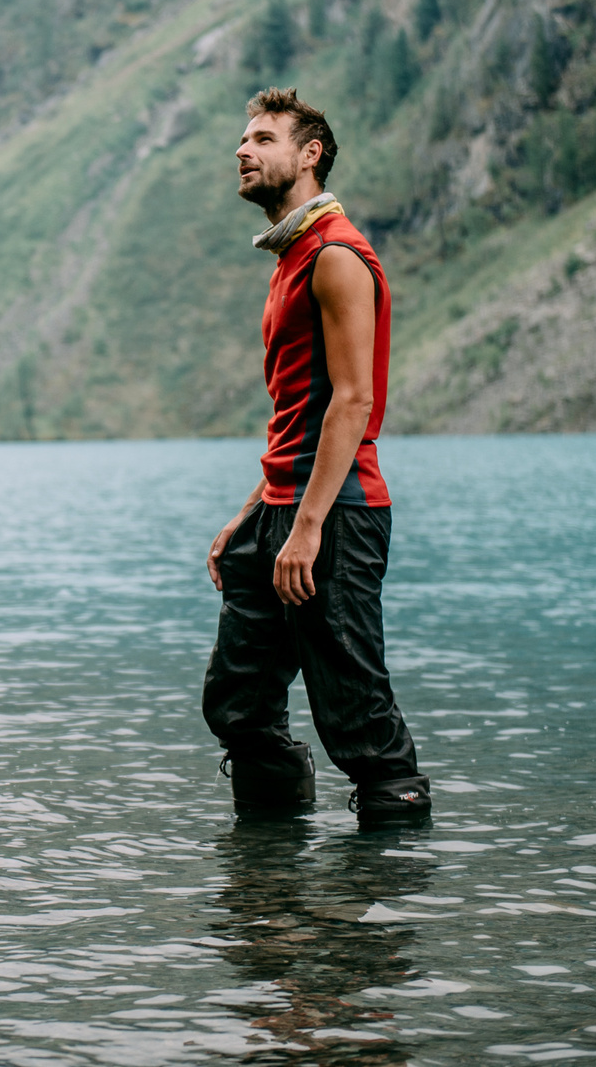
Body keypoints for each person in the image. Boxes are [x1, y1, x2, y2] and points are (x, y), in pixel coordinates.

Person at [202, 88, 429, 825]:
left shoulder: (335, 257)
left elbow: (354, 402)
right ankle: (269, 896)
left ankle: (381, 908)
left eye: (263, 138)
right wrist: (252, 514)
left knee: (359, 724)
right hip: (284, 510)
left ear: (310, 155)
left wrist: (305, 527)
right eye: (244, 138)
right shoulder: (290, 257)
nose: (244, 149)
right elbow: (298, 413)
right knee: (237, 707)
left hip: (335, 516)